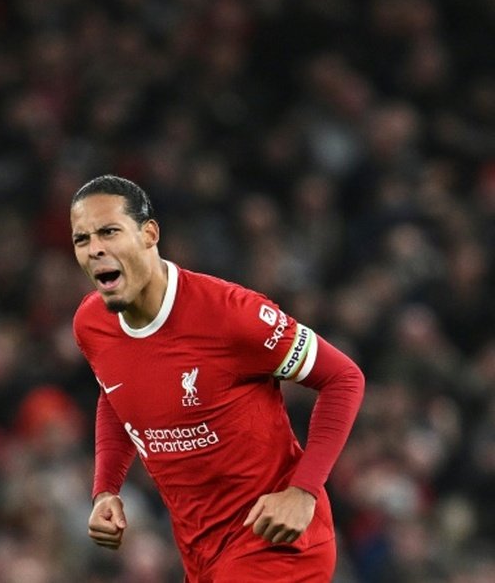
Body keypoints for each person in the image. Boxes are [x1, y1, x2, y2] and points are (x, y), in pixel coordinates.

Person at [69, 174, 365, 582]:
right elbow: (115, 394)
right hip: (202, 556)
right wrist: (106, 488)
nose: (95, 248)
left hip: (276, 543)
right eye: (82, 239)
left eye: (109, 232)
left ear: (149, 234)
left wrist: (303, 492)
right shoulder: (91, 325)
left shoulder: (231, 315)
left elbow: (344, 378)